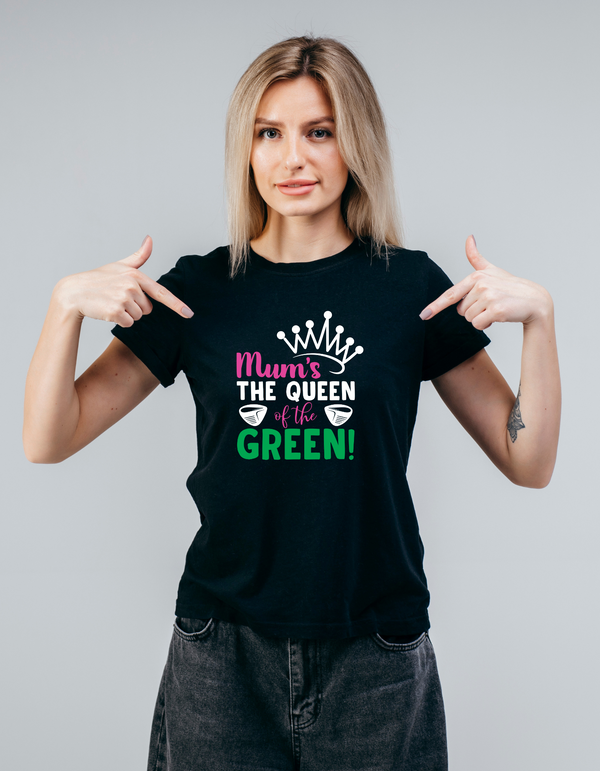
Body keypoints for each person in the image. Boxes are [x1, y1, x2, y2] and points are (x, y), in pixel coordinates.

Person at [23, 35, 560, 771]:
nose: (292, 159)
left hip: (375, 649)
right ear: (246, 148)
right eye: (268, 133)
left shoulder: (409, 289)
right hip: (223, 653)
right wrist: (63, 310)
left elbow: (526, 459)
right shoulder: (198, 292)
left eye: (320, 132)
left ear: (356, 144)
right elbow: (49, 438)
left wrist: (540, 322)